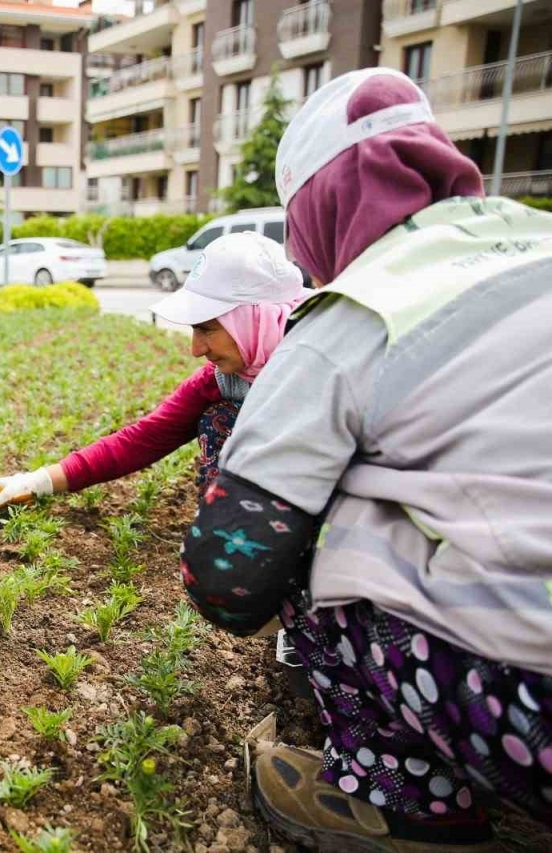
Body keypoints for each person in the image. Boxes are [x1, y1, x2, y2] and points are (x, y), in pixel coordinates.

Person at [180, 68, 552, 850]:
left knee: (303, 529)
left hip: (530, 705)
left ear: (318, 207)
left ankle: (404, 796)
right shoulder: (536, 240)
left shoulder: (357, 311)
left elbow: (228, 579)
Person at [0, 231, 306, 510]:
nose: (195, 349)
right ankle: (238, 530)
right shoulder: (227, 378)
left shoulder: (329, 366)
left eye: (207, 329)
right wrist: (34, 481)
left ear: (256, 319)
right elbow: (145, 437)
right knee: (220, 416)